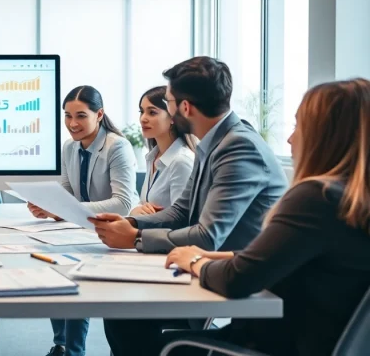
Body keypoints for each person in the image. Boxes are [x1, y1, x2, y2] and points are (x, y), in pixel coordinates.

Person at [91, 56, 288, 355]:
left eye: (168, 101)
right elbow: (181, 211)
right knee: (121, 316)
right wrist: (131, 224)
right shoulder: (214, 140)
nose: (168, 108)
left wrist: (136, 239)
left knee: (129, 320)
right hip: (212, 268)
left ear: (184, 108)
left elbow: (209, 235)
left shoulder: (238, 146)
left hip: (240, 279)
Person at [161, 78, 370, 356]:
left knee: (156, 343)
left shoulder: (316, 197)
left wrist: (196, 261)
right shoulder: (351, 199)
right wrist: (211, 256)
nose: (290, 138)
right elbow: (289, 259)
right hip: (322, 342)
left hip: (274, 345)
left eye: (298, 126)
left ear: (326, 135)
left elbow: (237, 280)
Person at [28, 85, 138, 356]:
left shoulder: (117, 146)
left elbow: (123, 203)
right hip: (80, 228)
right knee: (55, 270)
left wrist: (65, 210)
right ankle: (62, 344)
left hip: (115, 231)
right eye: (67, 116)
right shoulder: (69, 147)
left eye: (80, 116)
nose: (72, 123)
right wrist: (49, 205)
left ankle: (73, 351)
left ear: (99, 114)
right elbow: (67, 190)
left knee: (75, 278)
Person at [130, 86, 195, 215]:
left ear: (173, 117)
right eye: (141, 111)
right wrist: (135, 211)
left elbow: (183, 220)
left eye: (152, 112)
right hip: (147, 233)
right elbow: (143, 204)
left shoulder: (181, 161)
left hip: (160, 234)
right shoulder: (152, 157)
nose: (143, 118)